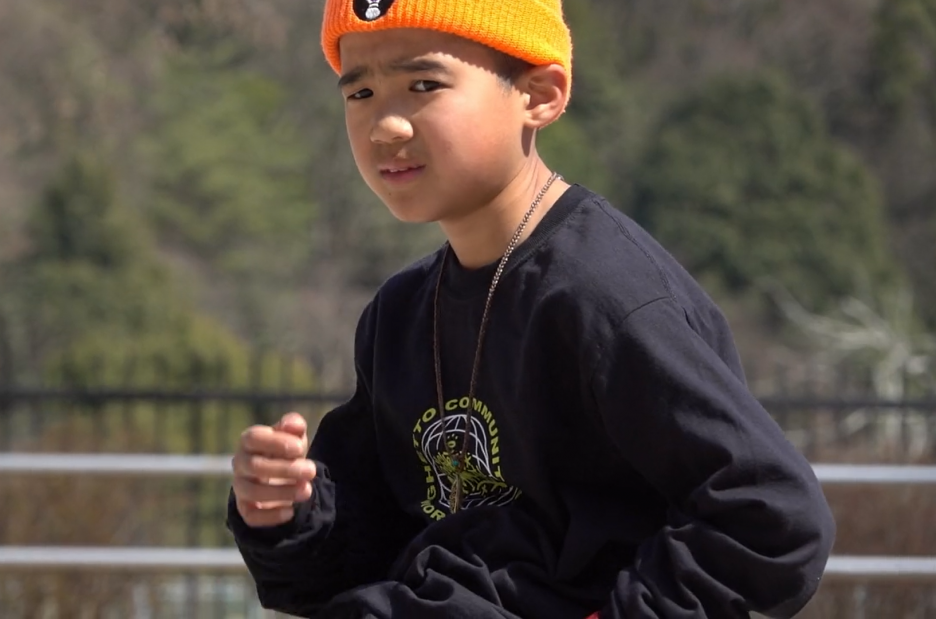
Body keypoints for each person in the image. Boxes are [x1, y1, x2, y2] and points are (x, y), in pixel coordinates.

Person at [226, 0, 837, 617]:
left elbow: (769, 514)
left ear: (539, 94)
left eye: (423, 85)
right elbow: (365, 548)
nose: (385, 126)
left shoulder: (603, 295)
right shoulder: (400, 313)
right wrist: (286, 513)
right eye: (360, 94)